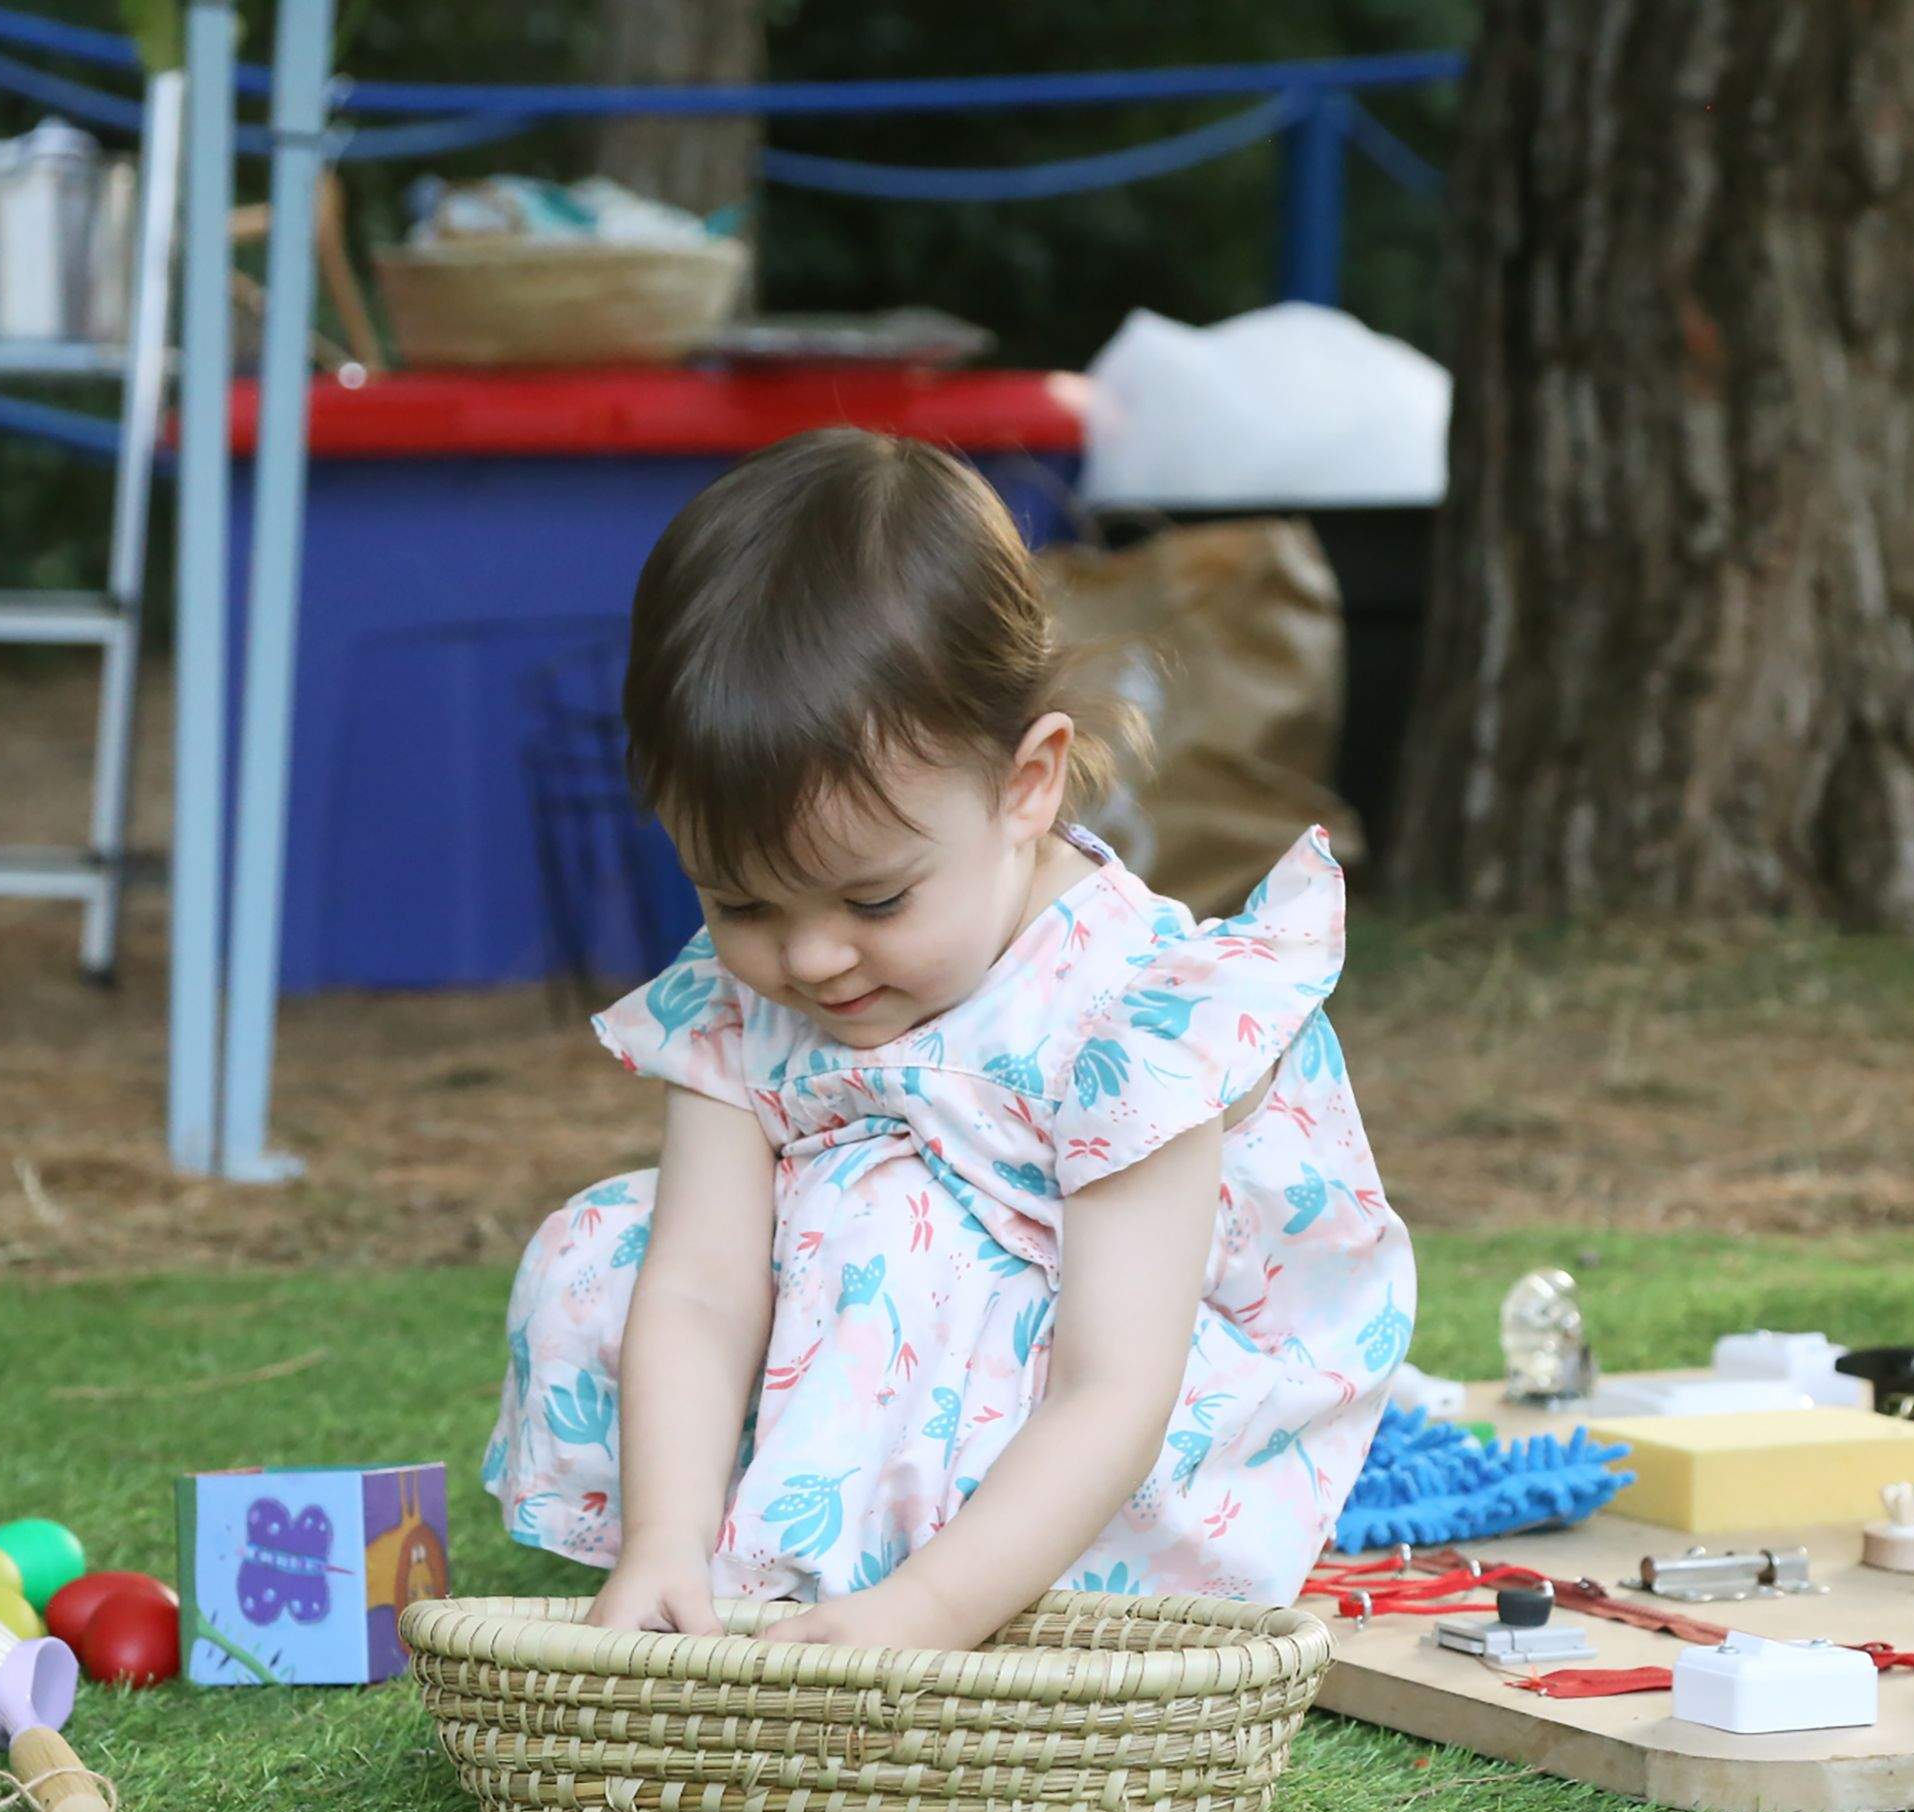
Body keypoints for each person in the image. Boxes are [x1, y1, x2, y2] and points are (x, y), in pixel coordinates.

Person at [486, 428, 1413, 1651]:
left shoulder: (1130, 1014)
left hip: (1113, 1434)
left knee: (887, 1221)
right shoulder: (746, 994)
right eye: (740, 901)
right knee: (605, 1248)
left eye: (874, 901)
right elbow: (704, 1287)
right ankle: (735, 1573)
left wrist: (924, 1612)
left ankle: (905, 1589)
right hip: (885, 1360)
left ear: (1028, 784)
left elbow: (1114, 1384)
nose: (809, 960)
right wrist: (664, 1535)